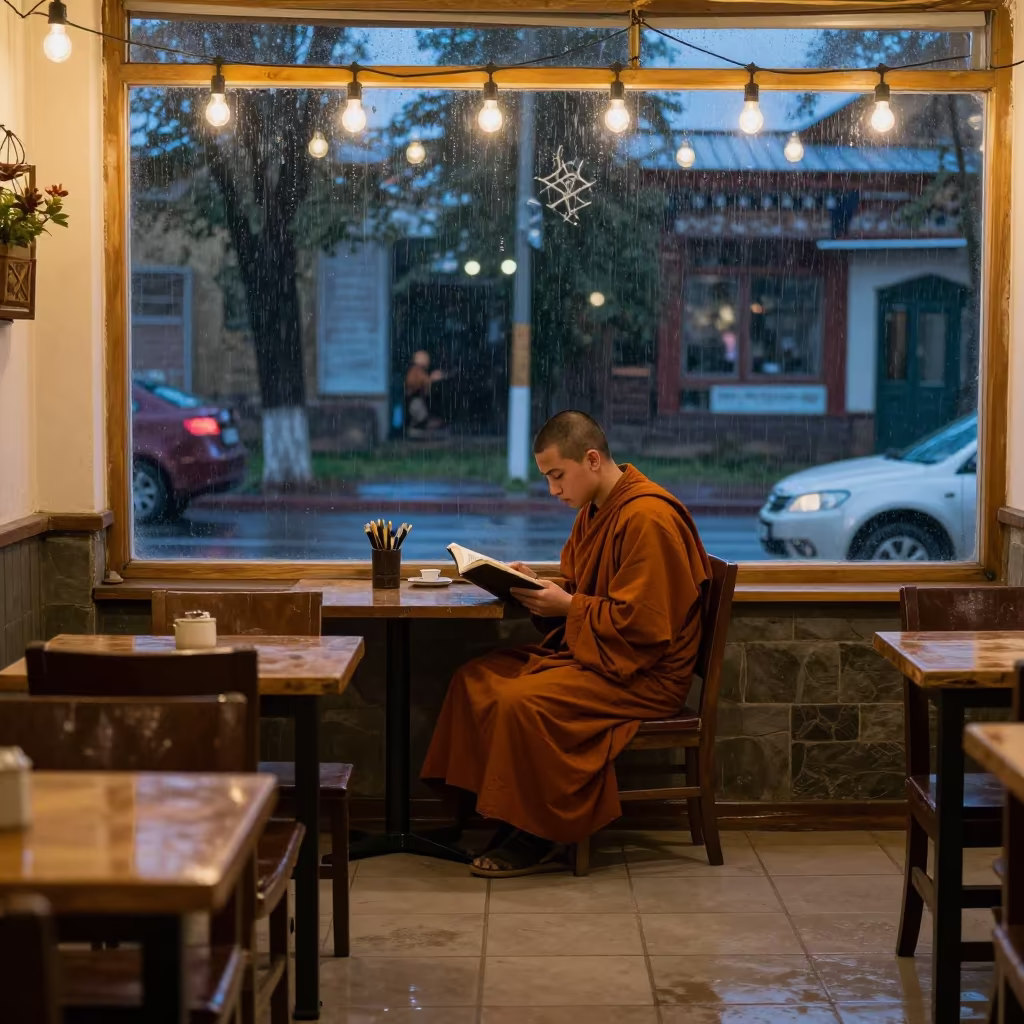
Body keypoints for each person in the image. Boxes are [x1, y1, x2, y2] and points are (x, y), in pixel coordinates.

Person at [421, 410, 711, 877]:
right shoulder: (595, 510)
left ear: (592, 459)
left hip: (644, 673)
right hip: (601, 653)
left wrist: (568, 607)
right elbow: (588, 586)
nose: (554, 490)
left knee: (521, 700)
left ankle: (543, 834)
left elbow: (645, 625)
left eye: (558, 476)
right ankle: (493, 813)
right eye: (547, 478)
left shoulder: (649, 518)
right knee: (475, 679)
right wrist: (537, 584)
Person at [404, 350, 445, 433]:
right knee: (424, 420)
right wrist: (432, 378)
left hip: (417, 401)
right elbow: (420, 382)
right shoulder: (415, 371)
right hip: (415, 401)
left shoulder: (418, 371)